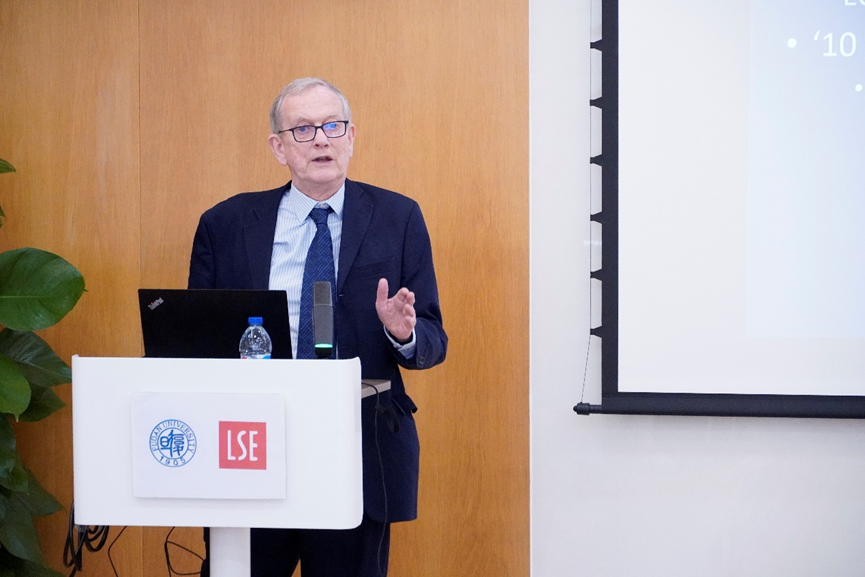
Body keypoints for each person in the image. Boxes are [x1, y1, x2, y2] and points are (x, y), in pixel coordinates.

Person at [188, 77, 447, 576]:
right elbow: (196, 340)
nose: (322, 139)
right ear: (278, 147)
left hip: (355, 447)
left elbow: (433, 339)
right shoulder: (227, 224)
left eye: (333, 126)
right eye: (303, 129)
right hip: (250, 445)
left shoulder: (398, 217)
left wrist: (403, 332)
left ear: (352, 137)